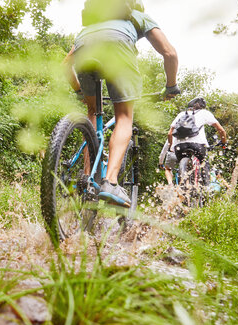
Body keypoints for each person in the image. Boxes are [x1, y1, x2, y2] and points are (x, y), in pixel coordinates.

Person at [64, 0, 180, 207]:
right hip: (117, 48)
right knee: (124, 117)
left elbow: (65, 65)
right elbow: (169, 53)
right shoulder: (137, 15)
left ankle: (87, 177)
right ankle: (111, 182)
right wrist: (171, 86)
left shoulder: (89, 26)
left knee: (92, 113)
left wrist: (79, 91)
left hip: (85, 50)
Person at [168, 97, 228, 185]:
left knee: (181, 164)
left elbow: (170, 133)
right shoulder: (204, 113)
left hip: (179, 146)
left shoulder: (181, 114)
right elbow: (221, 130)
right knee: (204, 162)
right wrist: (223, 142)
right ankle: (206, 186)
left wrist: (170, 147)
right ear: (202, 106)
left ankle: (182, 185)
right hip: (198, 145)